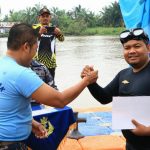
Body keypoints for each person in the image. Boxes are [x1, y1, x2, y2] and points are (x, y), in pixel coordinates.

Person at [0, 23, 98, 150]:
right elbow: (60, 100)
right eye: (35, 50)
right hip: (9, 144)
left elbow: (7, 104)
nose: (34, 57)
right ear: (25, 47)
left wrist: (30, 122)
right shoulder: (21, 73)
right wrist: (87, 80)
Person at [81, 28, 150, 150]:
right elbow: (104, 98)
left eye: (137, 46)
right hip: (131, 145)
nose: (132, 51)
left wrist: (148, 130)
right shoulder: (123, 74)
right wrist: (90, 82)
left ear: (148, 48)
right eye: (127, 48)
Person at [33, 7, 64, 79]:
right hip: (37, 64)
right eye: (43, 16)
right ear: (39, 18)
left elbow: (62, 39)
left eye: (47, 16)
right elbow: (29, 42)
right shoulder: (34, 28)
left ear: (50, 18)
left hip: (51, 64)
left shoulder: (54, 29)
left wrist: (59, 33)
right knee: (37, 86)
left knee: (51, 86)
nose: (45, 18)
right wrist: (39, 33)